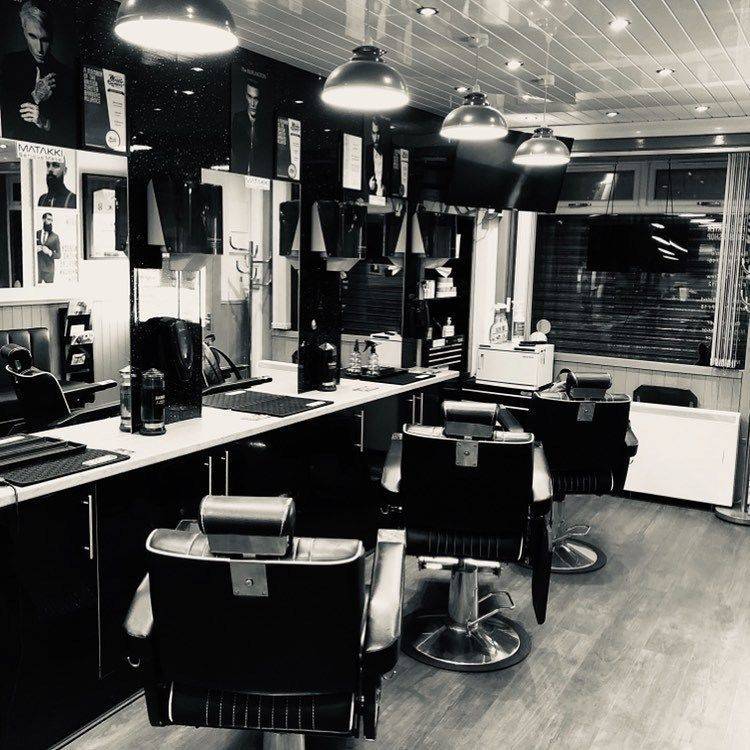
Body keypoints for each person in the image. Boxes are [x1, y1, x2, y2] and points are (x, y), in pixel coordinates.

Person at [0, 0, 76, 146]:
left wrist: (43, 122)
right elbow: (7, 124)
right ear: (24, 30)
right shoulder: (9, 64)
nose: (39, 48)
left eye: (45, 40)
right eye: (32, 37)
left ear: (52, 35)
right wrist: (35, 98)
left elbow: (70, 134)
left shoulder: (66, 75)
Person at [231, 80, 261, 175]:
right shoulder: (238, 119)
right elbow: (235, 146)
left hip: (258, 173)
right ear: (246, 96)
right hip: (240, 171)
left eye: (256, 99)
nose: (252, 103)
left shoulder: (263, 123)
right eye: (250, 97)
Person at [36, 212, 60, 284]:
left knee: (49, 289)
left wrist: (49, 252)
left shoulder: (55, 236)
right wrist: (35, 249)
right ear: (43, 220)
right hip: (37, 268)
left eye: (51, 220)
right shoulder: (36, 233)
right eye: (49, 219)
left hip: (49, 269)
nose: (50, 222)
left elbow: (59, 255)